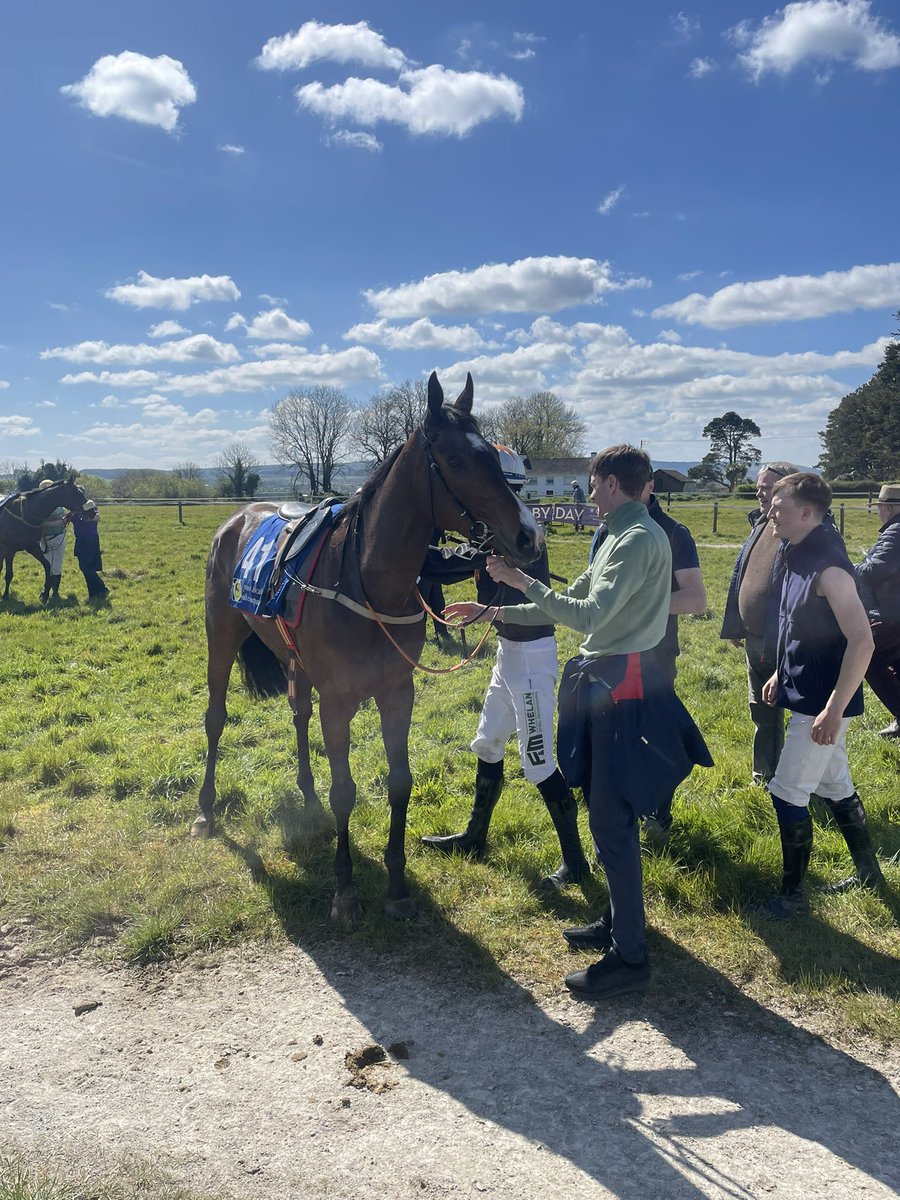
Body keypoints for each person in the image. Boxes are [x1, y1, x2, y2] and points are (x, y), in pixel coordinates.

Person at [448, 445, 711, 1000]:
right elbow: (570, 598)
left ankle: (630, 958)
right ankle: (618, 925)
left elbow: (587, 616)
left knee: (613, 822)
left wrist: (519, 584)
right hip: (606, 679)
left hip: (621, 686)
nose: (586, 493)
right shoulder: (618, 532)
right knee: (606, 814)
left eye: (592, 484)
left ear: (612, 484)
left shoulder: (637, 539)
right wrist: (494, 611)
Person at [420, 446, 590, 892]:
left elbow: (445, 567)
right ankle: (475, 838)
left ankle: (576, 863)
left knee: (538, 763)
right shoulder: (494, 528)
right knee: (487, 744)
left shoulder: (514, 530)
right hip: (509, 655)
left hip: (532, 659)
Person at [758, 473, 883, 919]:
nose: (770, 511)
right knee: (834, 784)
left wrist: (833, 709)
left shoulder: (829, 567)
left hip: (822, 705)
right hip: (807, 695)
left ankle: (792, 898)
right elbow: (801, 625)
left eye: (779, 505)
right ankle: (870, 872)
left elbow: (861, 641)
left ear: (806, 513)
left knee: (788, 791)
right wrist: (779, 670)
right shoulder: (796, 556)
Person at [590, 482, 707, 844]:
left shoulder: (672, 532)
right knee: (609, 740)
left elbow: (696, 599)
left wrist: (638, 602)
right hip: (607, 655)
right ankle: (615, 820)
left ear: (648, 486)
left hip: (653, 655)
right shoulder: (605, 530)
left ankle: (657, 813)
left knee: (651, 736)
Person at [720, 462, 799, 785]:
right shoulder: (760, 523)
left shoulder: (797, 528)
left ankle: (800, 779)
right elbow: (742, 575)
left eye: (767, 487)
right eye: (759, 486)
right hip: (755, 637)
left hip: (787, 639)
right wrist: (735, 624)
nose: (759, 492)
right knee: (761, 711)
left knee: (801, 713)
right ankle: (765, 775)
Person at [855, 483, 900, 739]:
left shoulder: (895, 530)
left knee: (867, 658)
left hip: (890, 613)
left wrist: (850, 568)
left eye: (881, 507)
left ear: (889, 508)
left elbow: (878, 569)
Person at [67, 500, 108, 599]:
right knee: (87, 567)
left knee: (86, 567)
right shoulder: (86, 511)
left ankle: (101, 588)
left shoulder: (83, 512)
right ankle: (94, 592)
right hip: (89, 540)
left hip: (85, 541)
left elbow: (96, 517)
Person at [37, 478, 67, 601]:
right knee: (55, 565)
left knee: (50, 565)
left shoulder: (41, 506)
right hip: (53, 537)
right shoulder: (59, 506)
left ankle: (49, 591)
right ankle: (53, 591)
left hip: (50, 537)